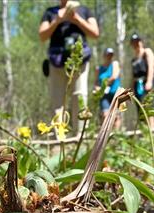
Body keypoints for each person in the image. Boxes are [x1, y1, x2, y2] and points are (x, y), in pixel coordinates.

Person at [39, 0, 99, 133]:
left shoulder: (84, 10)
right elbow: (42, 36)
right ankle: (59, 136)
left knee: (80, 95)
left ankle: (80, 135)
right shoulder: (50, 12)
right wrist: (57, 20)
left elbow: (95, 33)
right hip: (56, 61)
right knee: (57, 99)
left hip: (80, 60)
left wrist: (76, 19)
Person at [130, 33, 154, 127]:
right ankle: (143, 130)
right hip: (137, 85)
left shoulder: (147, 52)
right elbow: (132, 75)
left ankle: (152, 128)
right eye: (133, 42)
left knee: (149, 105)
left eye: (137, 41)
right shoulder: (133, 59)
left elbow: (151, 67)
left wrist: (149, 81)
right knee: (140, 107)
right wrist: (130, 89)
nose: (136, 44)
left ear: (141, 42)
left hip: (146, 82)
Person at [94, 48, 121, 127]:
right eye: (108, 55)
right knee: (105, 115)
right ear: (104, 56)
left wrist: (103, 86)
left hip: (115, 93)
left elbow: (114, 76)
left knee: (116, 116)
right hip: (104, 95)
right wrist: (96, 88)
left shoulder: (115, 64)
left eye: (111, 55)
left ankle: (116, 136)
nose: (109, 57)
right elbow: (96, 82)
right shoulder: (99, 69)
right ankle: (104, 136)